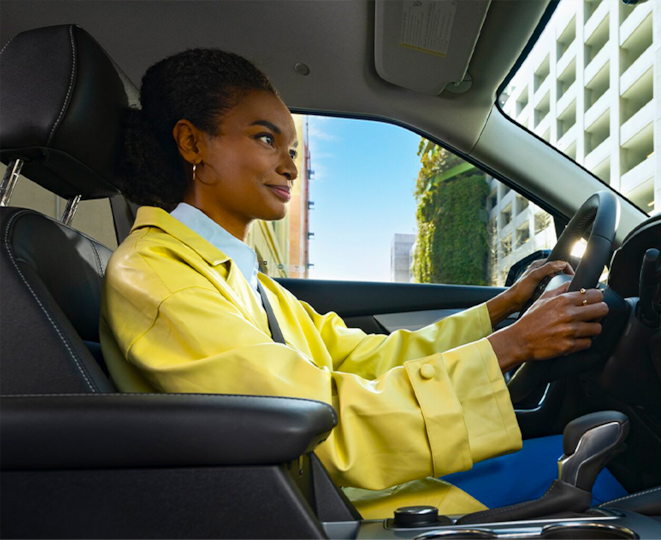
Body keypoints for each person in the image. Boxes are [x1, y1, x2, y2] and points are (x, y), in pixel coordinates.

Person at [99, 48, 615, 519]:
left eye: (294, 149)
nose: (290, 166)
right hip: (321, 509)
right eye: (265, 139)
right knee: (612, 475)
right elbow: (305, 420)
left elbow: (363, 358)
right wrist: (512, 346)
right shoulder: (158, 277)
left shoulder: (241, 277)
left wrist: (501, 312)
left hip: (333, 490)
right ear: (193, 143)